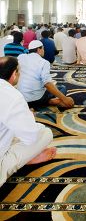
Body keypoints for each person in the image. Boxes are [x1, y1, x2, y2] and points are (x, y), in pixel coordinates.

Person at [0, 56, 56, 187]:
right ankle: (18, 162)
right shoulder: (12, 96)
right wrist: (29, 116)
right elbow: (31, 137)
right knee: (45, 132)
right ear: (14, 74)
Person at [17, 40, 74, 109]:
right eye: (43, 48)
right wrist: (65, 99)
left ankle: (49, 101)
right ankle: (50, 101)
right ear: (39, 49)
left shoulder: (20, 57)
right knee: (62, 88)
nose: (44, 50)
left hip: (22, 98)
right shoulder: (44, 62)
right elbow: (47, 84)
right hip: (37, 98)